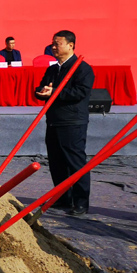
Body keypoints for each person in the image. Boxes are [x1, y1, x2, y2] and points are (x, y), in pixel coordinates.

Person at [35, 30, 94, 215]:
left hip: (72, 122)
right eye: (52, 44)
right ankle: (62, 198)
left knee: (75, 163)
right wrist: (41, 92)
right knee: (56, 162)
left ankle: (81, 202)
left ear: (70, 45)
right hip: (53, 121)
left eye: (57, 44)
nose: (54, 47)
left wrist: (54, 92)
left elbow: (80, 93)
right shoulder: (53, 69)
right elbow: (42, 87)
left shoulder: (83, 69)